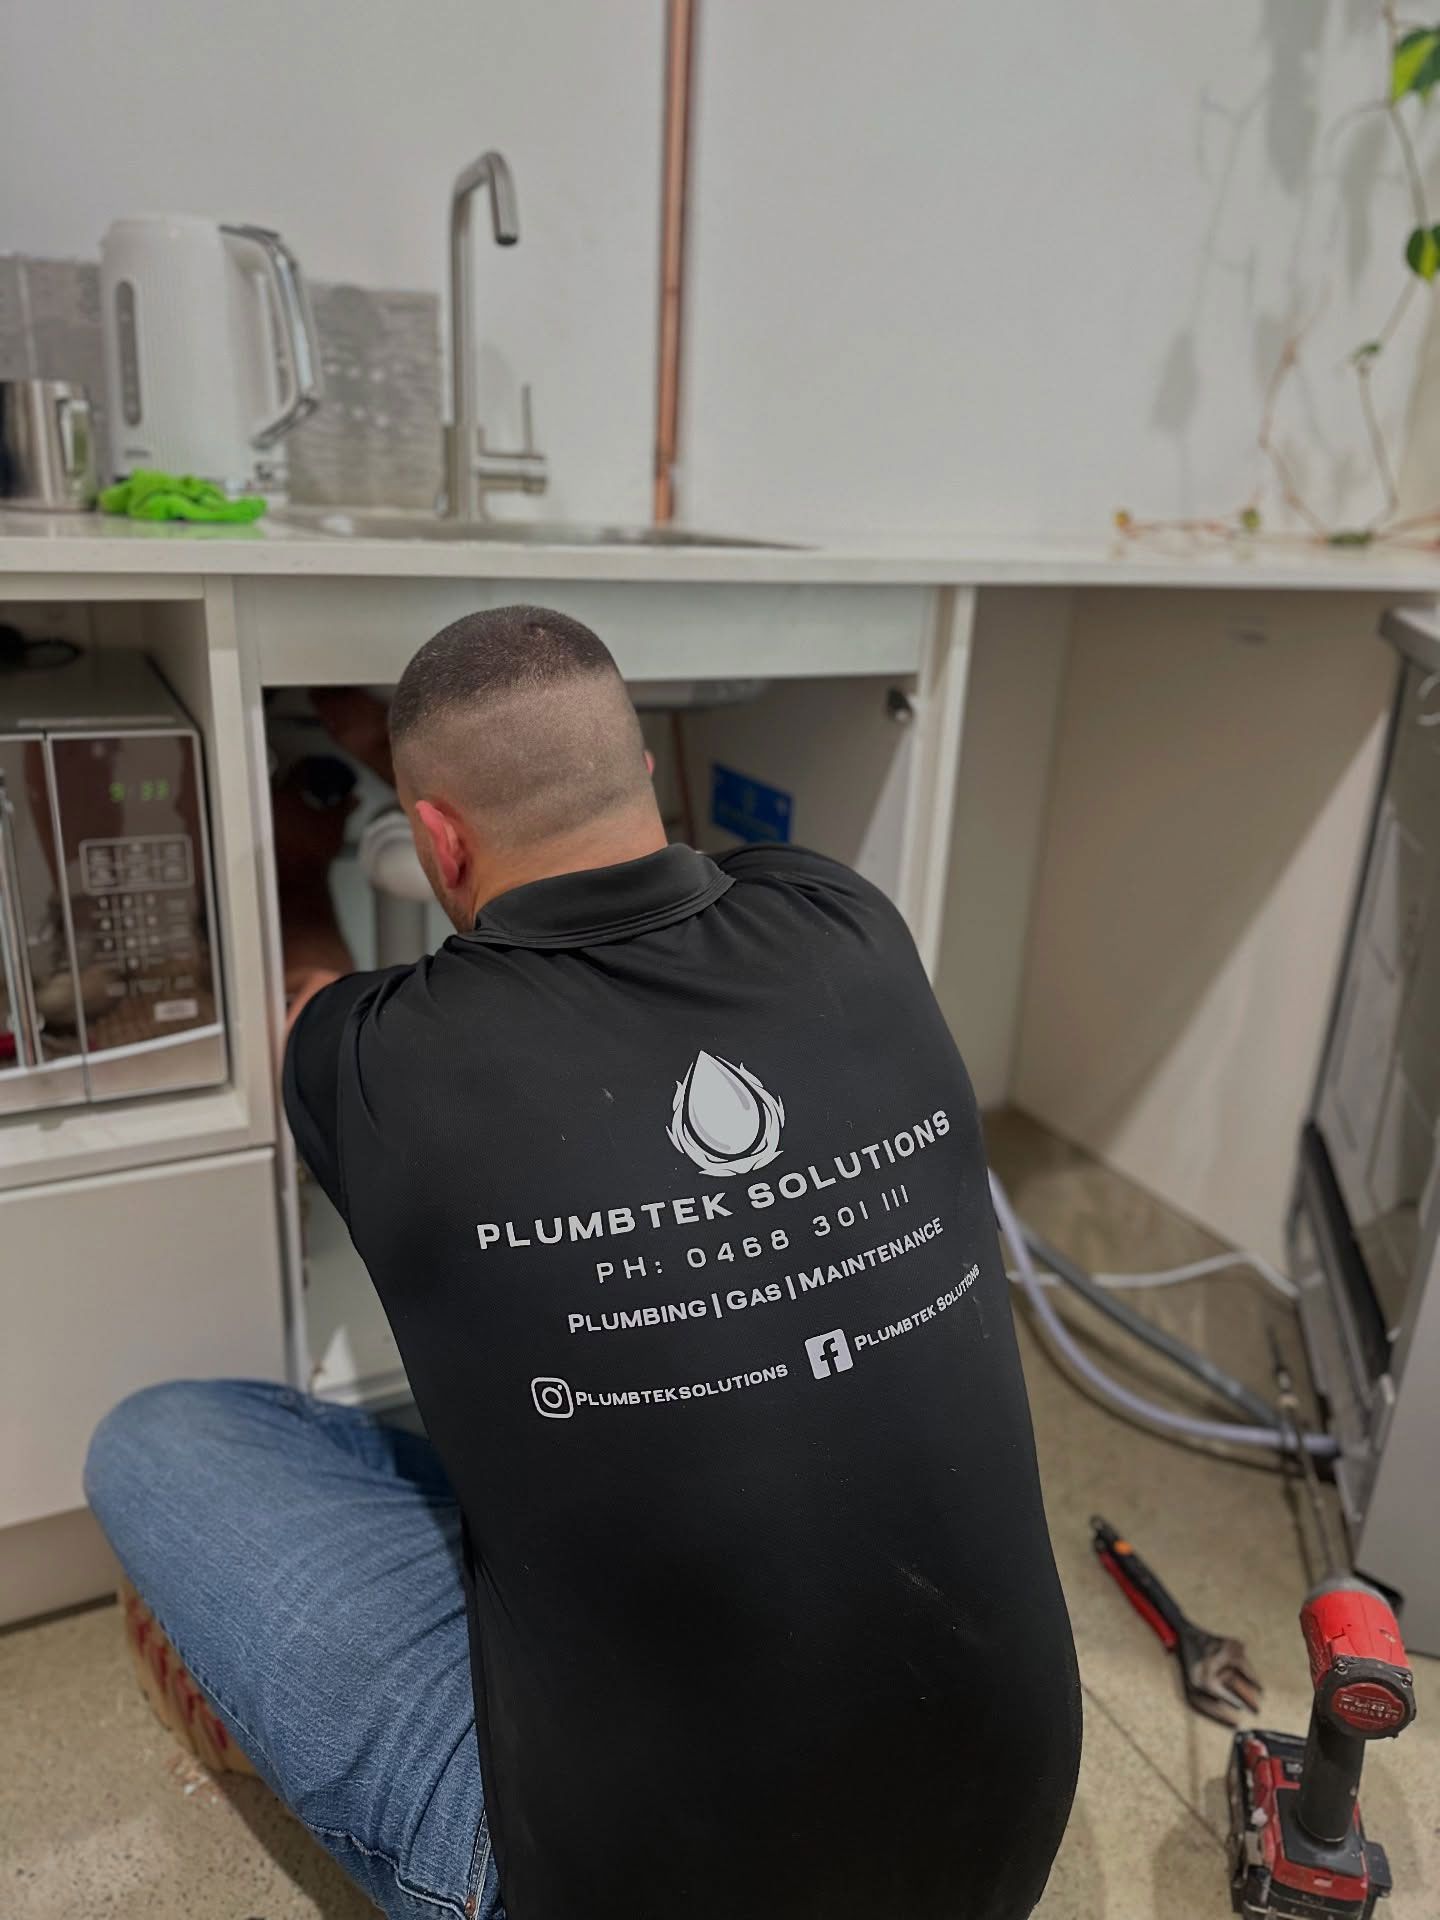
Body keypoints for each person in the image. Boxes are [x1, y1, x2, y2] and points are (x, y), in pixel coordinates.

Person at [86, 606, 1081, 1920]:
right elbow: (687, 872)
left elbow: (304, 1008)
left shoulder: (387, 1068)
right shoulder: (853, 924)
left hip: (613, 1896)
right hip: (995, 1848)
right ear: (648, 776)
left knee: (159, 1440)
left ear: (431, 841)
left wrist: (297, 854)